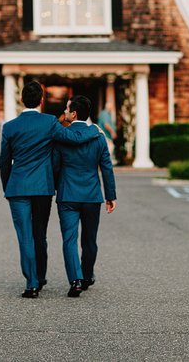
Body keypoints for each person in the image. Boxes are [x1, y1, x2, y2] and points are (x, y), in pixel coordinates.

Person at [0, 81, 101, 298]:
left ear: (21, 100)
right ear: (42, 100)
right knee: (39, 234)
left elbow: (4, 162)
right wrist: (94, 130)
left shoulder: (9, 127)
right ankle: (41, 275)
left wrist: (7, 188)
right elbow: (74, 138)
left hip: (17, 188)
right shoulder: (48, 123)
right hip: (43, 187)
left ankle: (32, 283)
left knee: (25, 236)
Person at [53, 96, 117, 297]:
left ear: (74, 114)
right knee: (90, 239)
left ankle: (75, 280)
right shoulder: (98, 136)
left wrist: (57, 187)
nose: (64, 110)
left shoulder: (62, 136)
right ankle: (87, 275)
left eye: (67, 108)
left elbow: (55, 167)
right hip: (91, 195)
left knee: (69, 239)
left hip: (68, 195)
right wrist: (110, 195)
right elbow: (106, 167)